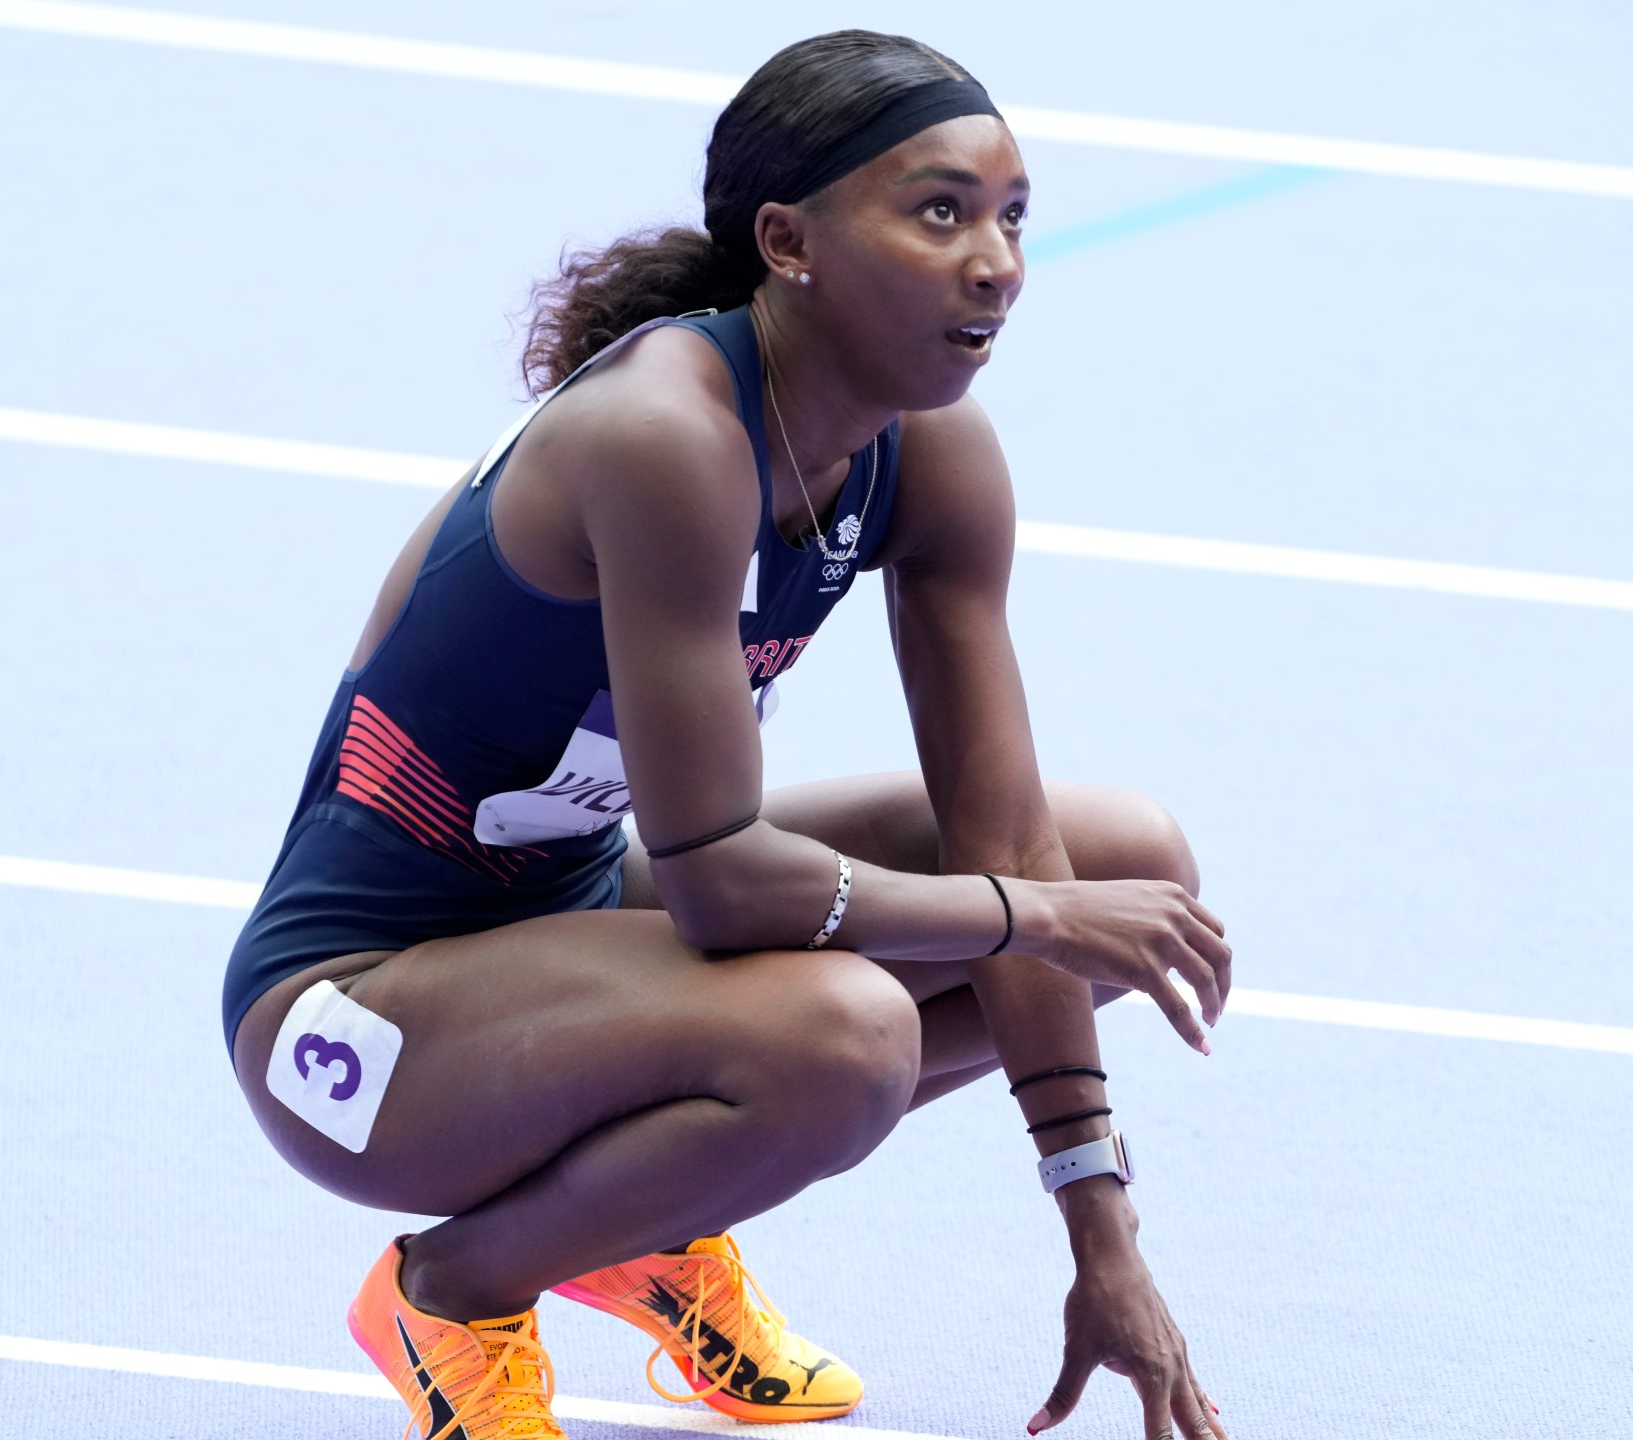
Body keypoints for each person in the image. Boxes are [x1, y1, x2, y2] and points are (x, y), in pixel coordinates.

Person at [221, 28, 1233, 1440]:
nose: (996, 260)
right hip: (357, 1018)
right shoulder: (664, 435)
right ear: (789, 241)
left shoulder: (927, 453)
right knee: (851, 1033)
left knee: (1132, 858)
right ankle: (449, 1294)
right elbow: (721, 882)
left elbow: (1015, 836)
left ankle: (642, 1226)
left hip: (575, 927)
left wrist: (1102, 1238)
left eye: (1012, 216)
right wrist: (1029, 915)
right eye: (941, 212)